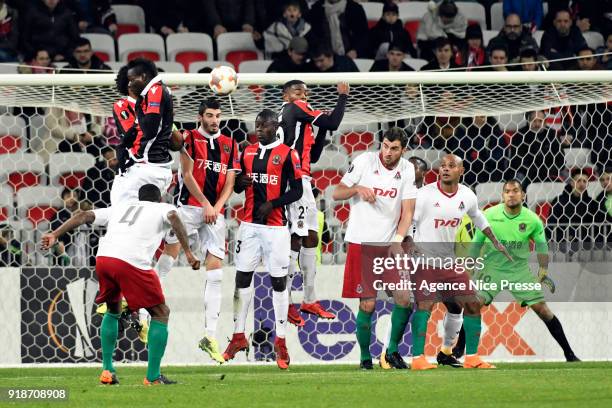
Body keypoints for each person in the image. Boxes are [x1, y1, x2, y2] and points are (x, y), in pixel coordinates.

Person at [41, 184, 200, 385]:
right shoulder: (162, 208)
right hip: (131, 261)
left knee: (113, 310)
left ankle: (107, 371)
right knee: (161, 313)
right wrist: (188, 251)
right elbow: (174, 218)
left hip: (104, 259)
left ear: (138, 197)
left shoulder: (122, 206)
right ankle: (153, 377)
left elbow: (82, 215)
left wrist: (55, 234)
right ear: (159, 199)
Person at [154, 98, 240, 363]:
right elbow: (187, 175)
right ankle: (144, 316)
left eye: (218, 116)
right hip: (189, 210)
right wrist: (205, 204)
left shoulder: (230, 143)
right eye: (210, 116)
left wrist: (217, 206)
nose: (215, 121)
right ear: (200, 116)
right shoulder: (189, 138)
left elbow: (230, 181)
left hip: (214, 212)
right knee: (168, 258)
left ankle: (209, 336)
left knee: (216, 274)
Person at [408, 154, 510, 370]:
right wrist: (409, 244)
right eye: (442, 166)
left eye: (451, 166)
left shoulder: (467, 195)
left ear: (460, 171)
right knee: (425, 305)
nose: (445, 169)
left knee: (472, 304)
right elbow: (409, 220)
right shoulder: (424, 194)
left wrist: (496, 241)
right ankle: (418, 358)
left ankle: (471, 357)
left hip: (449, 262)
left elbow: (478, 217)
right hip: (425, 259)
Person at [222, 109, 303, 370]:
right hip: (248, 226)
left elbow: (298, 191)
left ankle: (281, 342)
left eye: (264, 125)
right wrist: (240, 184)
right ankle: (237, 336)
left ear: (275, 125)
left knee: (277, 281)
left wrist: (273, 203)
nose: (259, 128)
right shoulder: (247, 151)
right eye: (257, 124)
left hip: (276, 228)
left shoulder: (289, 154)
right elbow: (237, 186)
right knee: (241, 278)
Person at [465, 179, 580, 362]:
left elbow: (542, 247)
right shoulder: (489, 215)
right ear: (502, 196)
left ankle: (569, 354)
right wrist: (469, 268)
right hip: (491, 268)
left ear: (523, 195)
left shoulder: (533, 219)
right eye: (507, 191)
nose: (511, 194)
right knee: (473, 306)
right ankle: (456, 351)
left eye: (515, 190)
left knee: (542, 309)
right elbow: (476, 243)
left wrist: (542, 271)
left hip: (518, 271)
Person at [332, 128, 417, 370]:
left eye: (394, 149)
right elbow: (337, 193)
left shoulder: (407, 170)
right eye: (385, 146)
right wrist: (357, 189)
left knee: (403, 299)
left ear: (404, 150)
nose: (388, 152)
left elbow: (408, 211)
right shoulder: (364, 162)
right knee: (367, 305)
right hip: (362, 243)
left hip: (390, 244)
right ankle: (365, 358)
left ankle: (391, 352)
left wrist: (397, 240)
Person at [278, 79, 348, 326]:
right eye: (298, 92)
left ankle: (309, 298)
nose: (304, 96)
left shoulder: (298, 120)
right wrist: (342, 96)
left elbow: (316, 154)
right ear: (286, 96)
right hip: (292, 178)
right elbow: (333, 122)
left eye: (306, 93)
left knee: (311, 235)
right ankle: (285, 302)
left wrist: (321, 130)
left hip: (303, 178)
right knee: (296, 237)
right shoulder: (294, 109)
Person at [111, 58, 174, 205]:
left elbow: (173, 141)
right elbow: (135, 135)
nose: (131, 83)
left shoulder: (153, 98)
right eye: (129, 81)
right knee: (121, 211)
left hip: (149, 166)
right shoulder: (122, 105)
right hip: (131, 166)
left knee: (136, 214)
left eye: (132, 79)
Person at [510, 110, 566, 184]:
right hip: (526, 173)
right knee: (518, 183)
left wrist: (548, 171)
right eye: (534, 121)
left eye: (540, 121)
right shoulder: (519, 136)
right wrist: (534, 172)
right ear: (528, 121)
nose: (537, 124)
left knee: (570, 181)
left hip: (549, 172)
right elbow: (517, 160)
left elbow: (560, 158)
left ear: (545, 122)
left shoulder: (552, 134)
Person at [548, 170, 602, 245]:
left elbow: (596, 228)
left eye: (584, 181)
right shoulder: (559, 201)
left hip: (585, 245)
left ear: (587, 184)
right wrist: (564, 238)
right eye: (578, 180)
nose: (582, 184)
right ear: (572, 183)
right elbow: (551, 225)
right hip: (563, 244)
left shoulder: (591, 203)